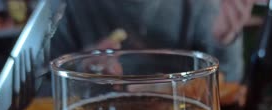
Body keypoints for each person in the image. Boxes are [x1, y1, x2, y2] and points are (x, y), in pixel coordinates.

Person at [51, 0, 256, 82]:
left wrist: (224, 40)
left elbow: (229, 81)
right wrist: (79, 71)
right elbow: (40, 87)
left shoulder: (200, 5)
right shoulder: (65, 6)